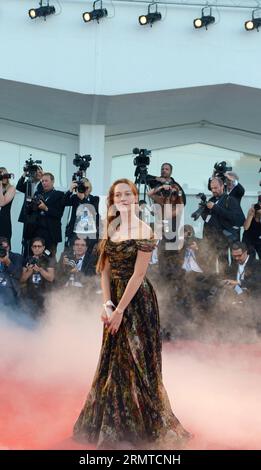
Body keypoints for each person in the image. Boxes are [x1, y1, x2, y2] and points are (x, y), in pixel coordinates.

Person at [73, 178, 191, 449]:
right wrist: (107, 305)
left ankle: (139, 429)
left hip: (137, 302)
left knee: (134, 361)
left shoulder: (145, 230)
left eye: (128, 194)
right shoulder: (110, 228)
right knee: (113, 360)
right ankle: (112, 424)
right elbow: (103, 269)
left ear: (135, 198)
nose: (124, 198)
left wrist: (121, 310)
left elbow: (138, 275)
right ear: (113, 200)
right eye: (118, 195)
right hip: (114, 301)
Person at [201, 177, 245, 272]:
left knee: (227, 265)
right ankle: (213, 283)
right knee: (212, 265)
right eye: (212, 188)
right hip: (213, 239)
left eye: (216, 188)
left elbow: (238, 219)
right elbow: (209, 219)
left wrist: (215, 208)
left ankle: (231, 283)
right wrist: (203, 211)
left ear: (222, 186)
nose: (213, 190)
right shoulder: (211, 200)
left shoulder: (230, 199)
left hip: (227, 239)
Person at [24, 173, 64, 255]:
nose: (44, 183)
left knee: (49, 257)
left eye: (46, 181)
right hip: (36, 231)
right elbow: (29, 212)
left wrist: (45, 208)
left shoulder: (59, 194)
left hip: (50, 232)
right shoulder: (37, 194)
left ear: (52, 181)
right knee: (33, 256)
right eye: (42, 181)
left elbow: (59, 214)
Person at [20, 237, 55, 317]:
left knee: (43, 320)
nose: (37, 248)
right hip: (29, 295)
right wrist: (30, 271)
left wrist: (40, 270)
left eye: (39, 246)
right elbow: (22, 279)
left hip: (44, 295)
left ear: (43, 248)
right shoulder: (28, 259)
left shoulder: (49, 260)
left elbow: (51, 278)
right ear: (31, 248)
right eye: (34, 246)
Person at [64, 178, 99, 247]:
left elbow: (92, 211)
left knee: (86, 255)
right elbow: (63, 202)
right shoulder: (75, 198)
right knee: (71, 253)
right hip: (74, 232)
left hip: (88, 232)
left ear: (90, 188)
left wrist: (83, 199)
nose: (85, 190)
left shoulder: (94, 199)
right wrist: (70, 191)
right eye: (83, 187)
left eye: (86, 187)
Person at [0, 237, 23, 308]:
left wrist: (8, 262)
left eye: (5, 248)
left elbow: (18, 275)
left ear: (9, 247)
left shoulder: (17, 257)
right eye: (1, 248)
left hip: (11, 295)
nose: (3, 250)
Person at [0, 167, 16, 243]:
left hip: (3, 221)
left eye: (4, 175)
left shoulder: (11, 188)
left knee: (3, 245)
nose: (3, 177)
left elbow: (2, 203)